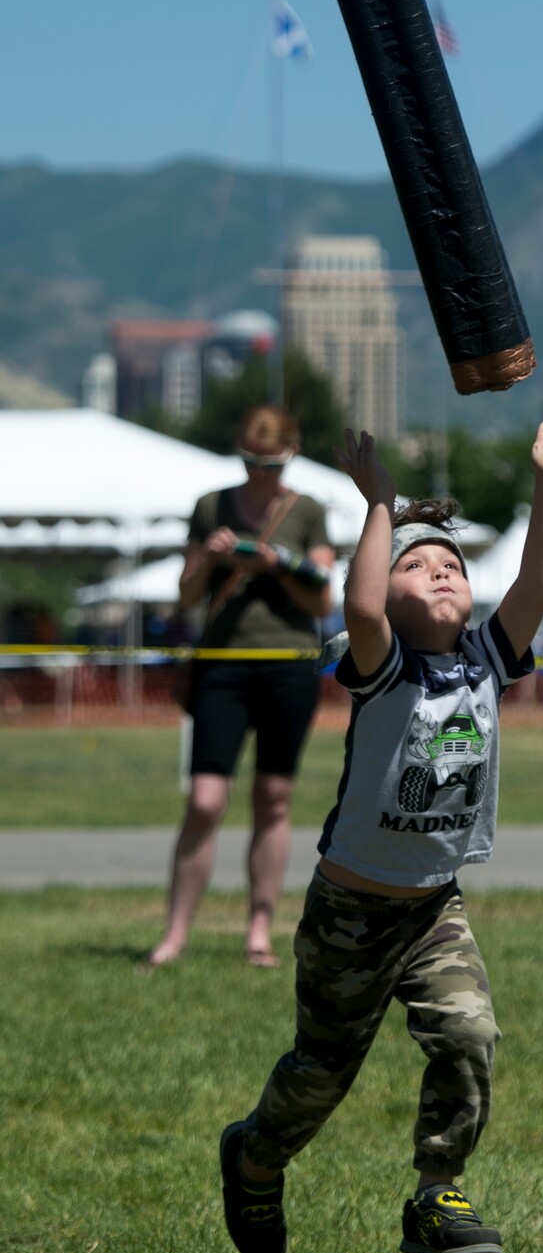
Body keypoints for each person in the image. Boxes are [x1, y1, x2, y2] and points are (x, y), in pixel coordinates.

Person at [217, 395, 543, 1253]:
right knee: (321, 1075)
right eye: (419, 566)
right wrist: (381, 503)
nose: (443, 573)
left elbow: (535, 581)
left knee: (468, 1036)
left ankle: (436, 1193)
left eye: (453, 566)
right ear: (384, 589)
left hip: (433, 907)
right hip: (350, 910)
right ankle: (255, 1157)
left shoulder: (487, 660)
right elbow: (360, 600)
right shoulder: (383, 666)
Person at [149, 405, 334, 968]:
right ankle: (175, 935)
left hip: (287, 665)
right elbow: (185, 596)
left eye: (271, 464)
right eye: (251, 463)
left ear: (291, 457)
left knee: (273, 799)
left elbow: (322, 598)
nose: (260, 474)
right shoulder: (211, 506)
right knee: (205, 800)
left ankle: (259, 930)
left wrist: (278, 564)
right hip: (222, 664)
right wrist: (209, 555)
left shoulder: (308, 512)